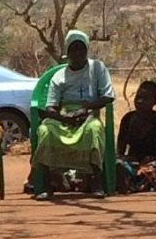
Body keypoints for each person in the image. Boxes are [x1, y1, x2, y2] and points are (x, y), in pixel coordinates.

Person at [29, 30, 114, 192]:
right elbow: (50, 106)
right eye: (73, 49)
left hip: (88, 115)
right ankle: (47, 184)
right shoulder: (59, 76)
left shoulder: (97, 68)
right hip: (64, 117)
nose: (77, 53)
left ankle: (97, 182)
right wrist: (64, 117)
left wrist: (86, 109)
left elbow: (108, 96)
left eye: (81, 49)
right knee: (46, 130)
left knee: (94, 130)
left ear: (86, 50)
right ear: (67, 53)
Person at [117, 78, 156, 183]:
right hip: (133, 161)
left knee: (154, 172)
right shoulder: (128, 119)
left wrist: (152, 158)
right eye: (138, 97)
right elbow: (121, 148)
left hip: (154, 163)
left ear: (154, 102)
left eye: (145, 98)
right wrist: (125, 158)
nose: (140, 101)